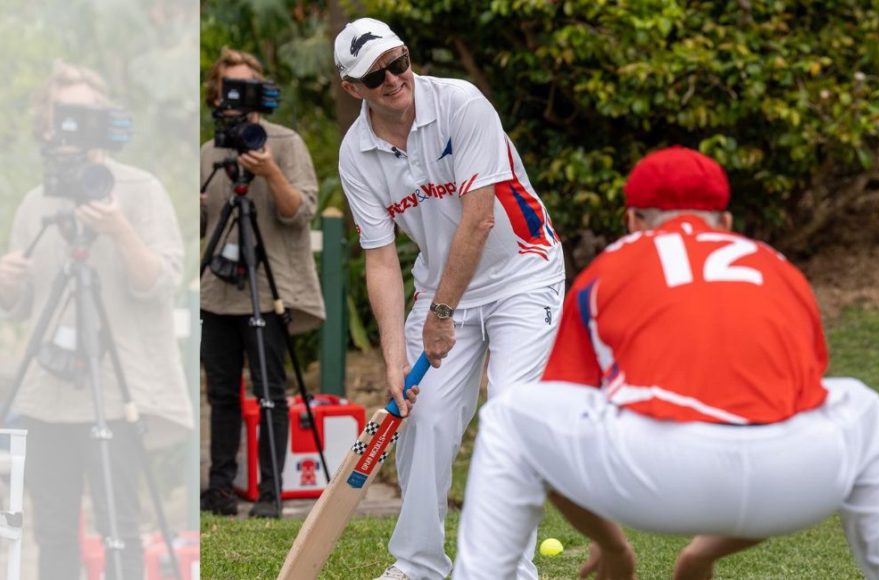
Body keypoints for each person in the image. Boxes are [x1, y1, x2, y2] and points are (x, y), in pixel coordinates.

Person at [452, 146, 879, 580]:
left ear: (633, 222)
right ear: (725, 223)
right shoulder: (777, 268)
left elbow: (559, 425)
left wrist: (611, 544)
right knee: (865, 409)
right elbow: (772, 433)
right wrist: (699, 557)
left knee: (512, 417)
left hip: (652, 477)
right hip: (794, 483)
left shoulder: (614, 264)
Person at [333, 17, 565, 580]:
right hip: (441, 286)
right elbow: (381, 257)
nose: (394, 79)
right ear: (352, 88)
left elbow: (479, 219)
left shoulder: (461, 104)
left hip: (523, 271)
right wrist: (393, 358)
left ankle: (508, 567)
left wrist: (440, 315)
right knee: (425, 418)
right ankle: (418, 565)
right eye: (376, 74)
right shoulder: (354, 153)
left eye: (399, 61)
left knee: (509, 412)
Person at [0, 61, 193, 580]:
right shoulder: (34, 202)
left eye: (88, 114)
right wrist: (8, 283)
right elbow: (18, 306)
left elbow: (159, 284)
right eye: (66, 115)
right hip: (47, 397)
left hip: (115, 389)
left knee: (119, 530)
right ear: (47, 125)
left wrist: (119, 229)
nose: (75, 126)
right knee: (54, 535)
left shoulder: (139, 189)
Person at [199, 47, 325, 519]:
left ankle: (271, 494)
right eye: (229, 88)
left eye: (247, 87)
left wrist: (270, 171)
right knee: (221, 392)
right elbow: (200, 225)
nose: (237, 98)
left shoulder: (285, 142)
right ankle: (219, 489)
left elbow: (300, 212)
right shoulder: (209, 151)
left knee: (272, 388)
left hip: (270, 290)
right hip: (218, 289)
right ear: (216, 95)